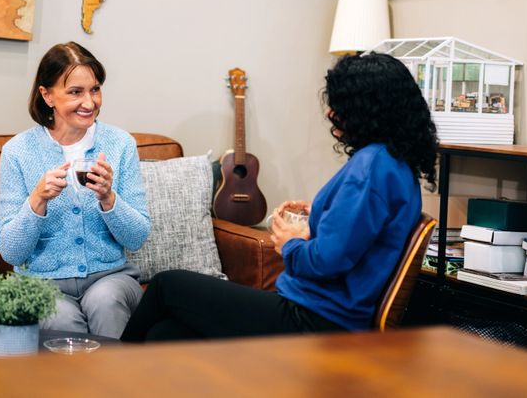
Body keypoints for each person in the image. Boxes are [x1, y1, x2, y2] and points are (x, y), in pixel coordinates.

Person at [121, 53, 438, 341]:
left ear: (369, 109)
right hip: (326, 312)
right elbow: (360, 235)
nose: (330, 112)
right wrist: (320, 216)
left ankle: (103, 374)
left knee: (166, 285)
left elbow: (325, 262)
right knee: (166, 334)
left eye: (341, 105)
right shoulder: (396, 164)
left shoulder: (370, 167)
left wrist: (290, 244)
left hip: (314, 318)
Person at [0, 42, 150, 339]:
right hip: (41, 282)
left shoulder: (120, 144)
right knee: (58, 317)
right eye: (76, 92)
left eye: (95, 89)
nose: (90, 102)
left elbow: (137, 237)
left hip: (110, 278)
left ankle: (116, 385)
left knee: (106, 301)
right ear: (47, 95)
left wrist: (109, 198)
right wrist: (37, 200)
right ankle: (76, 387)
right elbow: (11, 251)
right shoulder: (17, 151)